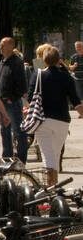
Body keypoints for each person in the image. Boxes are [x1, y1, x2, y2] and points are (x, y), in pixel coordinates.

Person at [26, 46, 83, 187]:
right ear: (59, 60)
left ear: (44, 59)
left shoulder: (38, 75)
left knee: (48, 156)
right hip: (62, 121)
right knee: (55, 155)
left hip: (42, 120)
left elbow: (30, 97)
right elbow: (76, 101)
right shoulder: (66, 77)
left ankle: (51, 187)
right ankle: (54, 186)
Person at [0, 37, 29, 163]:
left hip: (12, 103)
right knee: (4, 130)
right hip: (2, 102)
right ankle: (7, 157)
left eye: (3, 45)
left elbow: (22, 84)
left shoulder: (17, 62)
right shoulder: (2, 61)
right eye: (0, 45)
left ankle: (21, 159)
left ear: (11, 46)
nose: (0, 47)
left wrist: (13, 98)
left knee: (18, 131)